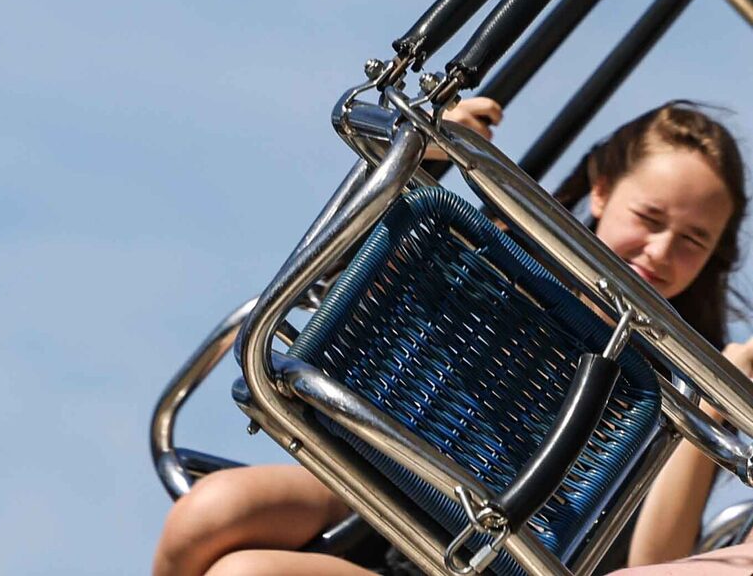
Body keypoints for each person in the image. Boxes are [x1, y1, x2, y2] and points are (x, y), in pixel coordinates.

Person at [155, 99, 751, 576]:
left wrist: (709, 416)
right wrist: (422, 162)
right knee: (211, 511)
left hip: (490, 554)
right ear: (601, 189)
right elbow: (343, 292)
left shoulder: (675, 378)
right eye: (650, 219)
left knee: (247, 573)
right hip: (384, 478)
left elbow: (653, 562)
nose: (661, 252)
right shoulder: (493, 258)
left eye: (693, 241)